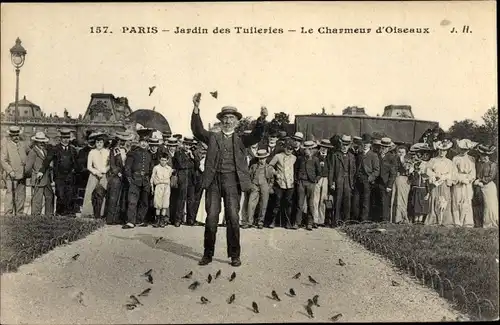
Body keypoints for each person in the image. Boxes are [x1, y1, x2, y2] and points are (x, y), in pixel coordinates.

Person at [190, 92, 267, 267]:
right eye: (225, 118)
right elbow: (197, 130)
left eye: (231, 118)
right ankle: (207, 255)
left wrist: (261, 119)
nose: (228, 121)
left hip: (233, 182)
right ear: (221, 120)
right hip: (214, 182)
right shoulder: (212, 137)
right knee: (211, 218)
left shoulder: (241, 139)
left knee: (233, 218)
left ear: (236, 121)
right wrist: (196, 109)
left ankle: (234, 256)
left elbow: (256, 136)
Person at [38, 128, 79, 216]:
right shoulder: (55, 149)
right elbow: (47, 160)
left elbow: (76, 164)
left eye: (67, 138)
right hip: (59, 176)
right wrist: (41, 171)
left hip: (70, 176)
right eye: (64, 138)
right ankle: (59, 213)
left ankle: (69, 213)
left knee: (70, 194)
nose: (66, 140)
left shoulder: (73, 150)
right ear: (61, 138)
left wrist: (75, 173)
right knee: (60, 194)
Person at [123, 128, 155, 228]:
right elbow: (127, 168)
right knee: (132, 201)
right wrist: (130, 179)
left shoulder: (150, 155)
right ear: (139, 142)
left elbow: (151, 169)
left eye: (146, 142)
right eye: (142, 142)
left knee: (144, 202)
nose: (144, 144)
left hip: (145, 181)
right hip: (134, 180)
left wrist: (149, 181)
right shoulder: (133, 153)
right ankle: (130, 222)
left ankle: (140, 220)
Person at [424, 139, 457, 226]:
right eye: (441, 150)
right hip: (435, 183)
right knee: (434, 199)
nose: (442, 152)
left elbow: (453, 174)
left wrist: (445, 177)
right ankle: (433, 220)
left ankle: (444, 220)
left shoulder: (450, 162)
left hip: (444, 183)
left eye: (444, 150)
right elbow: (427, 170)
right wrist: (434, 175)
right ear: (438, 150)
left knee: (444, 200)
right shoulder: (433, 160)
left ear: (446, 151)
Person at [105, 131, 134, 225]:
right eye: (121, 140)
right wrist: (118, 173)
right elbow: (112, 165)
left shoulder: (127, 151)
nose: (123, 142)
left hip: (124, 177)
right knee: (113, 197)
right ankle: (110, 219)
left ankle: (118, 218)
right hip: (116, 177)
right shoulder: (114, 150)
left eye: (125, 140)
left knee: (122, 198)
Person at [243, 149, 275, 229]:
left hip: (265, 185)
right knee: (251, 204)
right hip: (255, 185)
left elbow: (272, 179)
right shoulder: (254, 166)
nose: (262, 160)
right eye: (260, 158)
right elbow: (249, 176)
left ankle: (260, 222)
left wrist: (269, 187)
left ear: (266, 158)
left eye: (263, 158)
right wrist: (250, 185)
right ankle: (249, 222)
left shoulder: (269, 168)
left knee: (263, 204)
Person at [294, 140, 322, 230]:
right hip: (301, 183)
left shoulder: (315, 159)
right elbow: (295, 170)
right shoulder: (300, 159)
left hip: (311, 183)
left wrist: (315, 181)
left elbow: (319, 173)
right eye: (306, 149)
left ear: (311, 149)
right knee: (299, 203)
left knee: (310, 204)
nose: (307, 151)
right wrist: (297, 181)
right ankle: (297, 223)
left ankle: (309, 223)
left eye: (309, 149)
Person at [268, 139, 297, 228]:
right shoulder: (278, 156)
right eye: (288, 148)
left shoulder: (294, 158)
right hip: (280, 183)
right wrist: (276, 173)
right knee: (277, 203)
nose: (289, 150)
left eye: (291, 149)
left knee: (288, 203)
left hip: (290, 184)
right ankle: (273, 222)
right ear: (284, 147)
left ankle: (288, 222)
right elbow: (270, 166)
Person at [1, 126, 29, 215]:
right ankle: (8, 213)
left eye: (17, 135)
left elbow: (30, 153)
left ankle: (19, 212)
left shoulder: (23, 145)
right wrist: (10, 171)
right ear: (10, 136)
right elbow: (3, 160)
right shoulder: (6, 146)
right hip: (11, 175)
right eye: (14, 135)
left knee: (21, 194)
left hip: (22, 174)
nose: (16, 137)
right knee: (10, 193)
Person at [352, 133, 380, 222]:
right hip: (357, 180)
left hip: (366, 180)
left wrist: (369, 179)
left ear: (370, 144)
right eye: (363, 143)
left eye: (367, 143)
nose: (365, 145)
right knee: (356, 200)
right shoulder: (359, 154)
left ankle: (363, 220)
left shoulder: (373, 155)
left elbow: (376, 170)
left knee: (365, 201)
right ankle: (356, 219)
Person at [25, 131, 54, 216]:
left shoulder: (44, 150)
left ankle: (49, 215)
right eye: (39, 141)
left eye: (43, 141)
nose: (42, 143)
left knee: (50, 196)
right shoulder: (33, 152)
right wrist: (34, 174)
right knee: (37, 199)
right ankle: (35, 216)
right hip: (38, 178)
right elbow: (28, 167)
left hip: (47, 178)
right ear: (36, 141)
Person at [82, 132, 110, 218]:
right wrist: (96, 172)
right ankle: (90, 212)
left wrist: (104, 171)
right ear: (95, 143)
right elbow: (89, 166)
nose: (99, 144)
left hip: (104, 175)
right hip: (94, 175)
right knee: (91, 193)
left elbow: (109, 164)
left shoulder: (107, 152)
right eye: (97, 142)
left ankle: (102, 213)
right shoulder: (92, 152)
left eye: (101, 142)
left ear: (103, 143)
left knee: (103, 193)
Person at [330, 135, 356, 226]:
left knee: (347, 202)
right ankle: (336, 221)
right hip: (338, 181)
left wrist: (352, 182)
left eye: (347, 145)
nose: (345, 146)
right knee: (337, 201)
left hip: (348, 182)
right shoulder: (335, 155)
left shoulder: (351, 156)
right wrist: (332, 182)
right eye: (343, 144)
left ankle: (346, 222)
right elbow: (332, 170)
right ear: (341, 144)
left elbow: (353, 170)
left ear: (349, 145)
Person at [451, 139, 477, 227]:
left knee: (467, 200)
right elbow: (453, 172)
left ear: (468, 150)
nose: (464, 151)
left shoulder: (472, 159)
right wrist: (459, 179)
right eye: (462, 149)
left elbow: (473, 172)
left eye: (465, 149)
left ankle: (467, 221)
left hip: (467, 182)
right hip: (458, 181)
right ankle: (457, 221)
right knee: (457, 199)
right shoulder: (455, 158)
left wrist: (469, 179)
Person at [374, 138, 398, 222]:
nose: (383, 148)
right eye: (382, 146)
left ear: (389, 148)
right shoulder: (377, 155)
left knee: (385, 202)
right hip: (376, 182)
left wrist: (389, 185)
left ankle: (384, 220)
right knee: (376, 201)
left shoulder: (392, 158)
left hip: (385, 183)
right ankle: (376, 219)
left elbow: (393, 173)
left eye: (386, 147)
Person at [474, 144, 498, 228]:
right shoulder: (479, 164)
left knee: (489, 204)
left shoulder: (492, 164)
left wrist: (482, 180)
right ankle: (479, 222)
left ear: (488, 156)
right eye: (482, 155)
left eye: (485, 155)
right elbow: (477, 174)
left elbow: (491, 176)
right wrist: (477, 180)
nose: (483, 157)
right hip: (479, 185)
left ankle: (490, 223)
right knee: (479, 203)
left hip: (489, 186)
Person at [407, 143, 432, 224]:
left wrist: (428, 191)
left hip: (423, 187)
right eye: (418, 155)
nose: (420, 157)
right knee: (415, 203)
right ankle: (416, 218)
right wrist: (414, 171)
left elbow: (428, 178)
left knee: (422, 203)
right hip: (416, 186)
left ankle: (421, 219)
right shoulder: (414, 165)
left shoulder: (427, 165)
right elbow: (412, 177)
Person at [151, 153, 174, 227]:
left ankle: (162, 220)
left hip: (166, 187)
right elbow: (152, 177)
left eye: (165, 160)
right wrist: (152, 187)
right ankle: (157, 220)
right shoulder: (156, 168)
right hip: (159, 185)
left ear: (167, 160)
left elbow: (170, 177)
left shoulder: (169, 169)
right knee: (158, 204)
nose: (163, 162)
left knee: (165, 204)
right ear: (159, 160)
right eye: (162, 160)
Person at [313, 139, 333, 227]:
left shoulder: (330, 157)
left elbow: (332, 169)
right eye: (323, 147)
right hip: (317, 179)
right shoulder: (316, 155)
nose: (324, 149)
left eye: (326, 148)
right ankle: (315, 220)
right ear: (320, 147)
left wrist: (331, 182)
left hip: (326, 179)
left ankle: (321, 220)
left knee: (323, 200)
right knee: (315, 199)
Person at [391, 145, 412, 223]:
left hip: (404, 180)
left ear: (406, 153)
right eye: (399, 152)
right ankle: (395, 218)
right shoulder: (394, 159)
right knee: (395, 198)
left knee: (402, 199)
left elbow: (408, 170)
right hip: (395, 180)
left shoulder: (408, 160)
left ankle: (402, 218)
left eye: (403, 152)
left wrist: (403, 160)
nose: (400, 154)